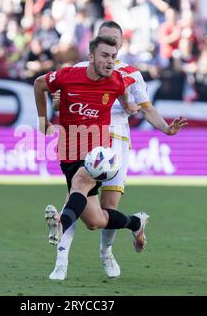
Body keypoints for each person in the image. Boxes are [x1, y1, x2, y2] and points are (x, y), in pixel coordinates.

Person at [45, 21, 188, 281]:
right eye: (105, 38)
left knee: (102, 212)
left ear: (121, 45)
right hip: (86, 141)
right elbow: (59, 100)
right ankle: (61, 261)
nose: (110, 44)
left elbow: (146, 109)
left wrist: (166, 128)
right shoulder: (80, 69)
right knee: (75, 195)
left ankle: (107, 251)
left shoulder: (131, 75)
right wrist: (56, 104)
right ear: (96, 42)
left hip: (117, 142)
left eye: (115, 40)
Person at [34, 35, 148, 281]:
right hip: (67, 151)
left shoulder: (116, 81)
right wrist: (43, 121)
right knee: (95, 220)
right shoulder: (67, 76)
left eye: (113, 57)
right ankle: (135, 223)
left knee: (80, 183)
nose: (110, 62)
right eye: (105, 56)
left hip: (98, 154)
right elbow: (38, 84)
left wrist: (128, 106)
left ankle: (60, 224)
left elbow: (123, 97)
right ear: (91, 57)